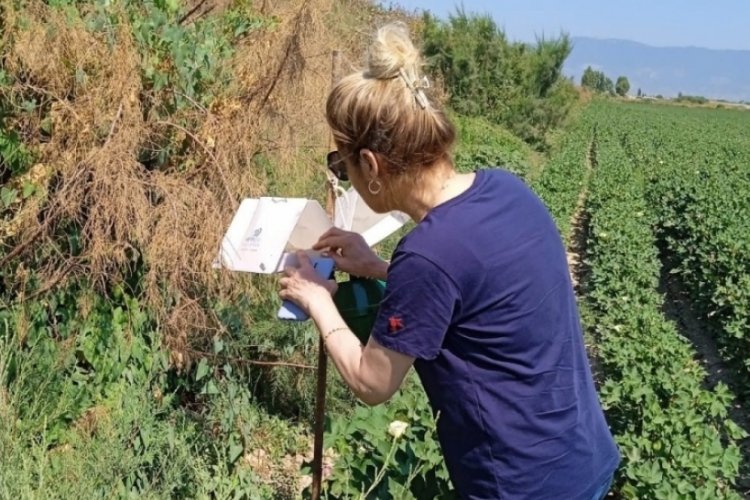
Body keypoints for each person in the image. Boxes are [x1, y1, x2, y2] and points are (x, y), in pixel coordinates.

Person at [279, 23, 620, 500]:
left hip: (521, 486)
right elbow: (477, 287)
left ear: (372, 166)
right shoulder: (507, 189)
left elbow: (371, 381)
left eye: (343, 165)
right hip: (582, 456)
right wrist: (377, 267)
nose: (346, 176)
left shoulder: (428, 254)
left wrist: (317, 300)